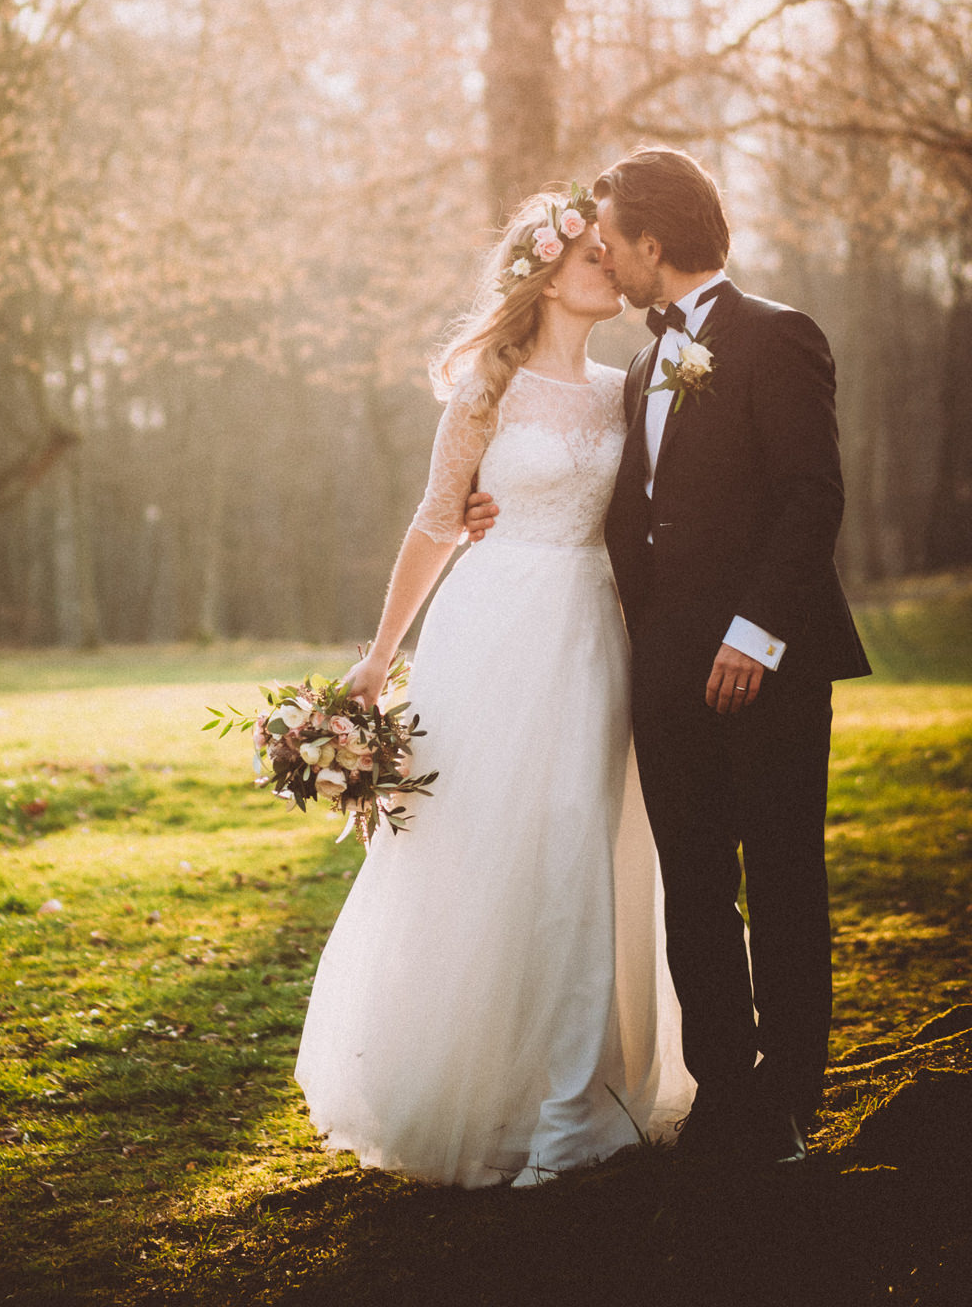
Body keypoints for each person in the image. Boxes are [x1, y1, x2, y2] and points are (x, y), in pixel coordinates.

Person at [466, 148, 870, 1163]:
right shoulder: (640, 364)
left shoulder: (778, 336)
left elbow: (809, 497)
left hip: (764, 664)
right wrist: (489, 509)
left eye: (610, 241)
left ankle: (785, 1102)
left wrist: (754, 634)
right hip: (662, 668)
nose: (603, 257)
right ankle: (724, 1096)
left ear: (651, 244)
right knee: (692, 883)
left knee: (779, 877)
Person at [294, 187, 694, 1190]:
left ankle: (572, 1105)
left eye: (608, 253)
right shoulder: (487, 384)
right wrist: (378, 658)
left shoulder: (628, 386)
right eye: (592, 254)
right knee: (483, 843)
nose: (609, 264)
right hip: (492, 626)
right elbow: (436, 521)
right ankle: (490, 1082)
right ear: (548, 272)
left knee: (579, 842)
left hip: (591, 630)